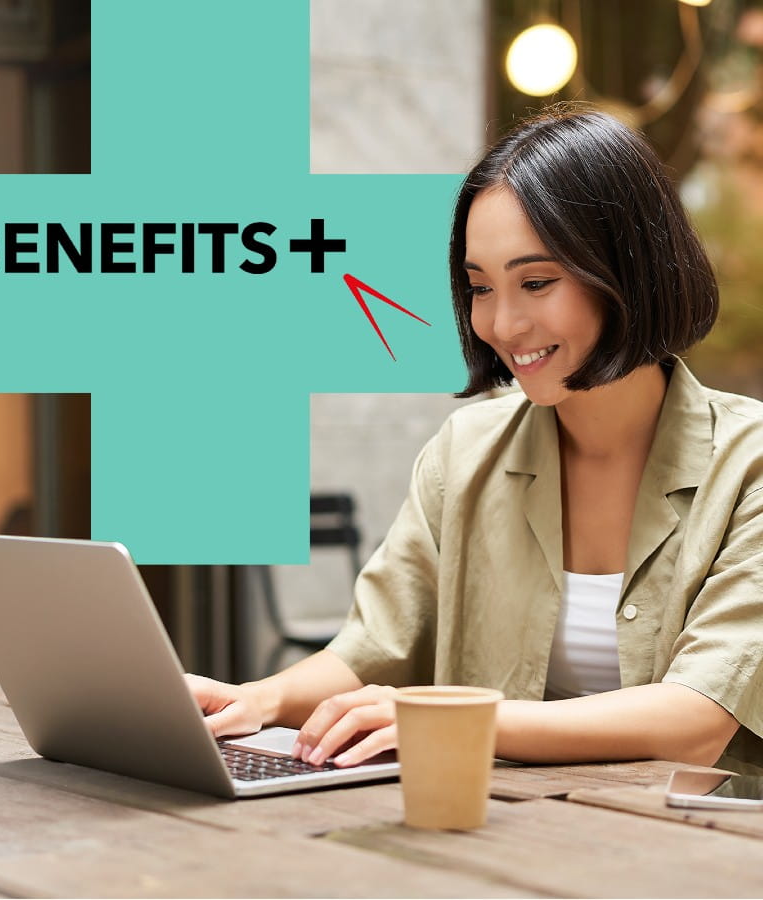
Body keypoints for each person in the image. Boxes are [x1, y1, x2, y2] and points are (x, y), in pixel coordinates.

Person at [187, 104, 763, 776]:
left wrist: (445, 721)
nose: (502, 321)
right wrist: (253, 701)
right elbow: (373, 646)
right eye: (479, 287)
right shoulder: (464, 453)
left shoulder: (748, 465)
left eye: (537, 282)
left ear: (630, 267)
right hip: (488, 838)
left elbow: (694, 719)